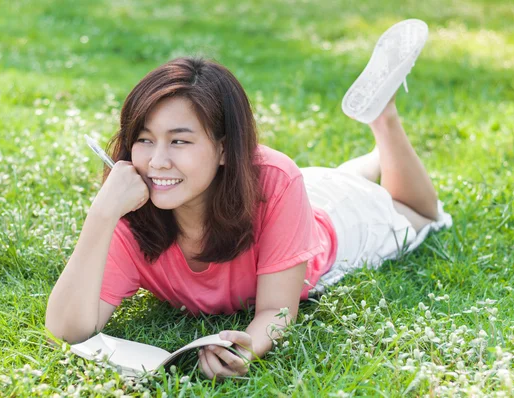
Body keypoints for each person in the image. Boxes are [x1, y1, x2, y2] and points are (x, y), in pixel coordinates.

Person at [45, 19, 452, 379]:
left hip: (332, 223)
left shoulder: (274, 181)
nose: (157, 161)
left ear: (224, 149)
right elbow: (67, 329)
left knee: (421, 213)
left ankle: (384, 119)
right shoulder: (132, 204)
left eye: (180, 141)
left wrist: (249, 346)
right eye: (145, 140)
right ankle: (369, 162)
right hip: (283, 190)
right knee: (331, 179)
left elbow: (277, 310)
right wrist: (102, 214)